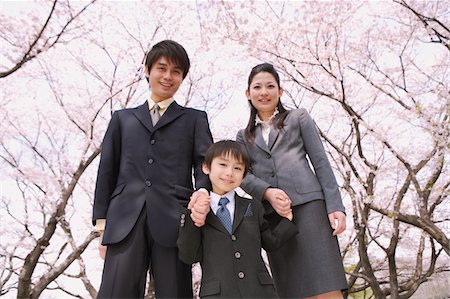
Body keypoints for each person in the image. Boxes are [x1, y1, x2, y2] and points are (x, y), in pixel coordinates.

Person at [92, 39, 213, 298]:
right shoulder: (122, 119)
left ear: (182, 78)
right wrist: (102, 224)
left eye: (176, 71)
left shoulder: (194, 119)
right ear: (147, 70)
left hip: (175, 219)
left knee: (175, 293)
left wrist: (203, 192)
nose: (168, 76)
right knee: (116, 292)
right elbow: (107, 171)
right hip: (124, 219)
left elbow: (204, 165)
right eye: (161, 68)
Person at [236, 63, 348, 299]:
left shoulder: (298, 118)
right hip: (276, 218)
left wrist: (336, 206)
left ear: (280, 91)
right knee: (294, 290)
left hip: (311, 209)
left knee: (326, 285)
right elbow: (241, 175)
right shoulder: (244, 136)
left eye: (270, 86)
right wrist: (266, 192)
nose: (264, 92)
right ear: (248, 93)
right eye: (257, 87)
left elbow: (321, 162)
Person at [177, 140, 298, 298]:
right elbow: (189, 255)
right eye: (223, 164)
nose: (229, 173)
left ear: (243, 176)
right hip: (218, 294)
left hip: (260, 292)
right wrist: (191, 216)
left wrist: (287, 221)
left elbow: (270, 241)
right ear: (206, 167)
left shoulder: (252, 206)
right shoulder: (198, 209)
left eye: (237, 168)